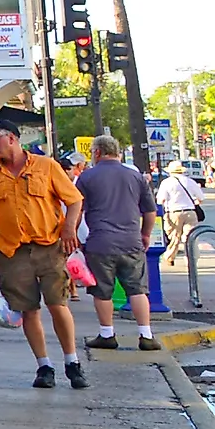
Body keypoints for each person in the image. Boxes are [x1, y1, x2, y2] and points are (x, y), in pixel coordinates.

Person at [0, 125, 87, 389]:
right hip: (13, 251)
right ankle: (44, 366)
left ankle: (72, 362)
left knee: (57, 304)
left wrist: (69, 228)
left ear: (12, 139)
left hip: (48, 246)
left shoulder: (46, 166)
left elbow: (74, 200)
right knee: (28, 309)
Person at [75, 135, 162, 352]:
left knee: (102, 291)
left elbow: (77, 210)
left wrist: (74, 235)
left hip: (100, 242)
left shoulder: (87, 177)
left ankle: (107, 334)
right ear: (117, 152)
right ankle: (146, 334)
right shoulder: (135, 177)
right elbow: (149, 211)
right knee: (137, 289)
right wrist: (145, 234)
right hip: (131, 241)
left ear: (96, 152)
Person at [154, 160, 206, 256]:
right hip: (190, 212)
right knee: (190, 237)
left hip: (173, 212)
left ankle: (170, 256)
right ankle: (192, 259)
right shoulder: (190, 181)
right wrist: (194, 203)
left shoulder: (166, 183)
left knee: (174, 237)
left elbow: (160, 200)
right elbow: (201, 198)